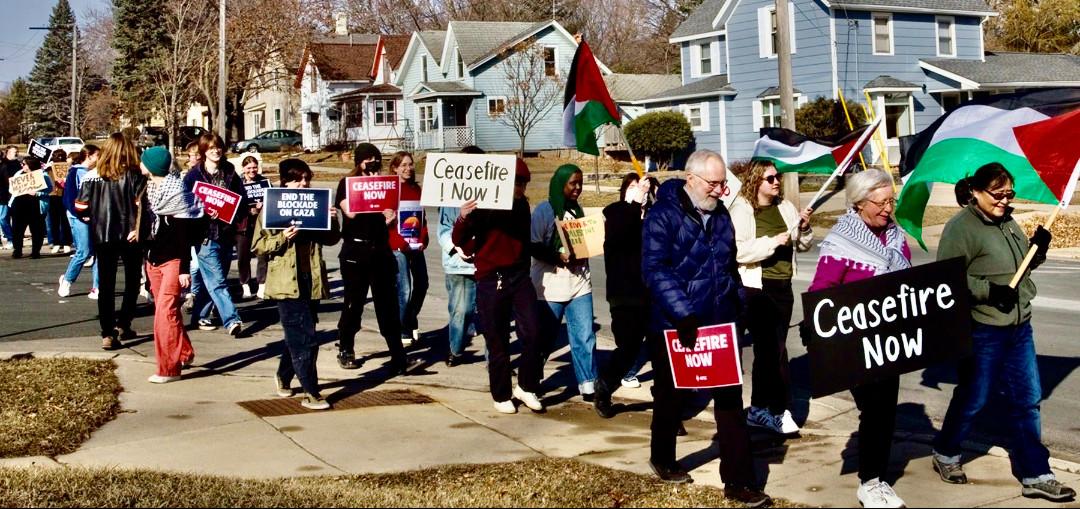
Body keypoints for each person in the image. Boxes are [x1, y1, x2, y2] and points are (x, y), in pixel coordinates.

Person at [930, 163, 1075, 502]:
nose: (1005, 201)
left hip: (1019, 327)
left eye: (1009, 193)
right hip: (982, 329)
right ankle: (946, 452)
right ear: (976, 192)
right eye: (998, 194)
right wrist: (989, 291)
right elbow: (945, 279)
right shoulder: (960, 228)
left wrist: (1038, 249)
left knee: (1027, 400)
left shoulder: (1007, 222)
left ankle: (1036, 474)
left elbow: (1021, 267)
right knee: (974, 397)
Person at [641, 150, 770, 507]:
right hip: (675, 326)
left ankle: (739, 481)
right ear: (692, 180)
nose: (719, 190)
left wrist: (740, 307)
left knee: (730, 401)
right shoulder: (661, 216)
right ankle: (663, 458)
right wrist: (683, 313)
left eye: (722, 183)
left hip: (719, 324)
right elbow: (654, 270)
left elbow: (727, 267)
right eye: (713, 183)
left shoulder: (722, 216)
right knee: (670, 396)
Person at [806, 169, 910, 508]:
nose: (887, 209)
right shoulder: (841, 241)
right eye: (880, 203)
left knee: (885, 410)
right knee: (875, 409)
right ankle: (870, 482)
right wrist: (814, 323)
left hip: (890, 339)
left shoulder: (896, 237)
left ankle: (877, 478)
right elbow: (822, 288)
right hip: (854, 343)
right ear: (859, 202)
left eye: (891, 201)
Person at [452, 158, 545, 414]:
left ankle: (526, 386)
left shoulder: (523, 206)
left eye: (524, 183)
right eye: (517, 183)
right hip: (491, 278)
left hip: (518, 276)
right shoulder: (485, 206)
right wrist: (463, 217)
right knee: (498, 339)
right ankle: (501, 393)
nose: (521, 188)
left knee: (534, 333)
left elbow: (525, 242)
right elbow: (459, 238)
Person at [730, 160, 813, 435]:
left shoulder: (785, 207)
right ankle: (775, 410)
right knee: (772, 350)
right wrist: (772, 243)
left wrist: (803, 228)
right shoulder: (742, 210)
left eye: (778, 177)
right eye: (770, 178)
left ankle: (760, 409)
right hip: (757, 286)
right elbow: (738, 251)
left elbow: (802, 245)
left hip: (783, 286)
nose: (777, 182)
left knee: (774, 350)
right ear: (756, 180)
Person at [254, 159, 341, 410]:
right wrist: (282, 237)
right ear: (285, 182)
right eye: (298, 179)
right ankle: (311, 392)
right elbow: (258, 245)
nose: (304, 184)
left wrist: (333, 220)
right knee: (306, 338)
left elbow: (332, 239)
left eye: (306, 179)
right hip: (285, 282)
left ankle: (283, 374)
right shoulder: (272, 207)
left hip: (310, 279)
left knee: (300, 334)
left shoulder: (315, 205)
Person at [334, 143, 415, 374]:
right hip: (355, 252)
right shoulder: (347, 185)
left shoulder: (386, 185)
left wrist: (388, 215)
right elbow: (350, 211)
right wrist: (368, 189)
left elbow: (392, 211)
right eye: (368, 160)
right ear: (359, 162)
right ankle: (346, 348)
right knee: (353, 304)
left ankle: (398, 355)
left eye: (376, 159)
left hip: (380, 251)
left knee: (387, 305)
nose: (372, 163)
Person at [75, 133, 149, 350]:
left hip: (102, 234)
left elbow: (80, 206)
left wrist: (91, 217)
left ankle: (107, 332)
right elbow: (142, 204)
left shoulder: (93, 175)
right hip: (130, 234)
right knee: (132, 281)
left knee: (105, 285)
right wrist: (138, 228)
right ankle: (124, 323)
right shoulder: (135, 175)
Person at [530, 164, 598, 400]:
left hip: (579, 283)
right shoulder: (544, 211)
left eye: (580, 183)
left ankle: (588, 382)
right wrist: (557, 256)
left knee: (585, 334)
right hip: (550, 286)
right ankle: (531, 380)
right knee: (545, 338)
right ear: (561, 184)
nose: (577, 188)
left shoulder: (577, 210)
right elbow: (534, 246)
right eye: (572, 183)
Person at [140, 146, 206, 383]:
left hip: (173, 261)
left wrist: (184, 270)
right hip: (153, 259)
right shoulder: (148, 189)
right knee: (169, 312)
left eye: (143, 160)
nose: (140, 163)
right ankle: (185, 353)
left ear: (153, 166)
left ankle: (169, 369)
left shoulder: (176, 192)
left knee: (164, 314)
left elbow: (183, 236)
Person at [594, 172, 653, 418]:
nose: (638, 191)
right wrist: (632, 204)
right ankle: (605, 386)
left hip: (653, 294)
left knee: (662, 349)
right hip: (625, 295)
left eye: (642, 188)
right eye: (632, 187)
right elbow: (619, 234)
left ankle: (669, 410)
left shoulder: (652, 218)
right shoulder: (616, 214)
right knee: (628, 347)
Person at [184, 132, 246, 337]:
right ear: (203, 151)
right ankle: (232, 320)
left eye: (218, 146)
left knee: (211, 279)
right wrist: (204, 212)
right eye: (211, 148)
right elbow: (184, 207)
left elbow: (241, 201)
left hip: (226, 234)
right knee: (217, 280)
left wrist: (231, 213)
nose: (216, 150)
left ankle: (200, 316)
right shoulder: (193, 176)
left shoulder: (230, 172)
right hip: (204, 236)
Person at [439, 146, 482, 366]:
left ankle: (497, 361)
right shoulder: (449, 195)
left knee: (493, 315)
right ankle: (455, 350)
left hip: (487, 262)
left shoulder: (490, 195)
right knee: (461, 310)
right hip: (459, 264)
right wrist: (457, 249)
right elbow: (443, 229)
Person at [387, 151, 429, 347]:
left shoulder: (416, 190)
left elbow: (422, 219)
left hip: (416, 245)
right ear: (395, 168)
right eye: (403, 165)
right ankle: (403, 330)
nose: (408, 168)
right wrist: (402, 244)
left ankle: (410, 318)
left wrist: (424, 238)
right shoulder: (390, 190)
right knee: (404, 290)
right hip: (397, 247)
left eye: (410, 164)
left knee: (422, 284)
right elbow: (386, 224)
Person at [58, 146, 101, 299]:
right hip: (79, 217)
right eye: (97, 155)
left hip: (96, 217)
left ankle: (97, 287)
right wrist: (81, 214)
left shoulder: (97, 173)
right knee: (83, 251)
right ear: (88, 155)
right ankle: (67, 280)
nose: (99, 159)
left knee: (97, 253)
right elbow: (69, 198)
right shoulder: (75, 172)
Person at [236, 155, 268, 300]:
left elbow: (273, 201)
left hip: (260, 226)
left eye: (254, 167)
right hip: (242, 226)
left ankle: (262, 284)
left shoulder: (264, 182)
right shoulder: (237, 183)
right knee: (243, 257)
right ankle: (245, 284)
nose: (252, 170)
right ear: (243, 169)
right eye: (249, 168)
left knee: (262, 255)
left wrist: (264, 205)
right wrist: (249, 211)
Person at [9, 156, 52, 259]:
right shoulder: (19, 174)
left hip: (35, 206)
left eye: (24, 164)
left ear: (30, 165)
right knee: (17, 230)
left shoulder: (43, 175)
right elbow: (12, 189)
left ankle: (35, 251)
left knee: (37, 230)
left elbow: (49, 189)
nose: (22, 166)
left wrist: (37, 193)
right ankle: (17, 250)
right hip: (19, 205)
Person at [46, 149, 73, 254]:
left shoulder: (69, 169)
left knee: (65, 220)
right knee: (54, 220)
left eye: (62, 156)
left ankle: (66, 242)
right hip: (53, 196)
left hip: (64, 195)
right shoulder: (49, 169)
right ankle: (56, 242)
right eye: (57, 156)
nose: (59, 158)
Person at [0, 145, 21, 249]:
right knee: (3, 218)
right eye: (14, 152)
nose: (16, 154)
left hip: (15, 195)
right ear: (8, 153)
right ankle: (10, 238)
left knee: (15, 218)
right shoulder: (3, 164)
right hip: (4, 195)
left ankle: (14, 239)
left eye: (17, 152)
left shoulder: (18, 164)